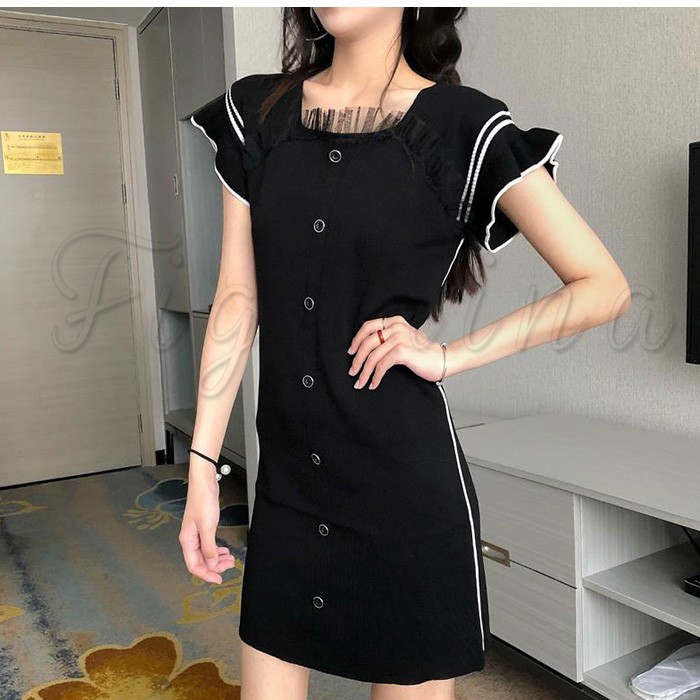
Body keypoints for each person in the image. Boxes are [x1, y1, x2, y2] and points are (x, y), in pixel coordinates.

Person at [180, 7, 631, 700]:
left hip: (405, 498)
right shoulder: (258, 114)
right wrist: (203, 466)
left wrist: (448, 357)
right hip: (288, 486)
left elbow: (603, 287)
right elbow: (238, 300)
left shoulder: (462, 127)